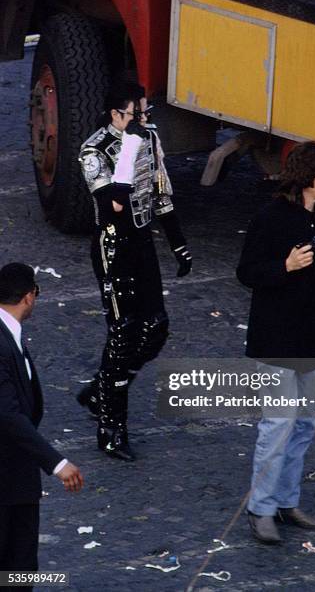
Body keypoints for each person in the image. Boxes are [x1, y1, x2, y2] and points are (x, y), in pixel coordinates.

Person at [237, 141, 315, 543]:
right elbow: (247, 272)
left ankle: (286, 501)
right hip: (275, 338)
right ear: (309, 176)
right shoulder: (271, 218)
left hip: (307, 337)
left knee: (303, 424)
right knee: (278, 425)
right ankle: (261, 509)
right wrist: (284, 267)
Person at [78, 83, 192, 461]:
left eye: (145, 113)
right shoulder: (94, 151)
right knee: (123, 333)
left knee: (155, 327)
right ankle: (111, 426)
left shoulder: (149, 140)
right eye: (136, 114)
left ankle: (100, 389)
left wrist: (178, 244)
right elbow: (115, 205)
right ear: (116, 115)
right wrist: (131, 146)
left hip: (142, 244)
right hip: (113, 246)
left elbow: (160, 195)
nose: (143, 120)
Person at [0, 263, 83, 588]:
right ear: (29, 297)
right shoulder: (3, 345)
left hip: (14, 478)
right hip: (8, 481)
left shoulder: (10, 338)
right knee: (16, 569)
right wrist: (56, 463)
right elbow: (7, 414)